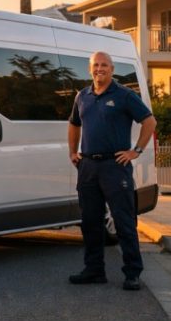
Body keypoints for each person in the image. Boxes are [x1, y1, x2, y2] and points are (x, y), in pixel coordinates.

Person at [67, 51, 156, 290]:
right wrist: (73, 152)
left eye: (104, 65)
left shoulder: (125, 95)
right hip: (88, 166)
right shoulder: (82, 96)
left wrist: (135, 150)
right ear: (90, 69)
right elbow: (74, 124)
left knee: (124, 220)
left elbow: (149, 122)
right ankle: (94, 270)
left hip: (115, 167)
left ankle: (132, 273)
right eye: (96, 65)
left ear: (112, 69)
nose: (99, 69)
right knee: (90, 221)